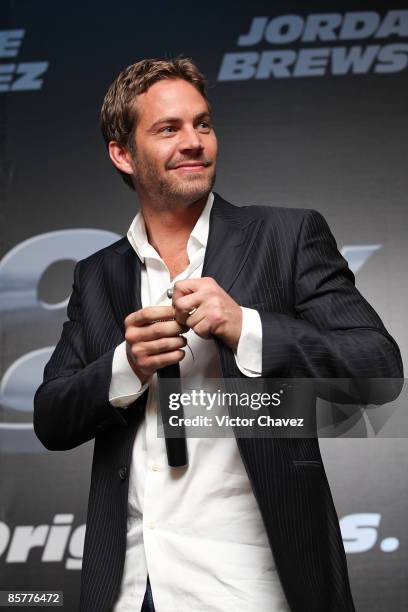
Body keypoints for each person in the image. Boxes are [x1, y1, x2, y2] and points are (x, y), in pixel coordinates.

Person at [33, 58, 403, 612]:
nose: (194, 141)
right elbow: (50, 417)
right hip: (135, 587)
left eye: (202, 124)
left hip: (253, 585)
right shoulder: (99, 273)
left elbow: (379, 369)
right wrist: (126, 366)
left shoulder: (287, 235)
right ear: (122, 154)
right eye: (168, 128)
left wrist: (245, 327)